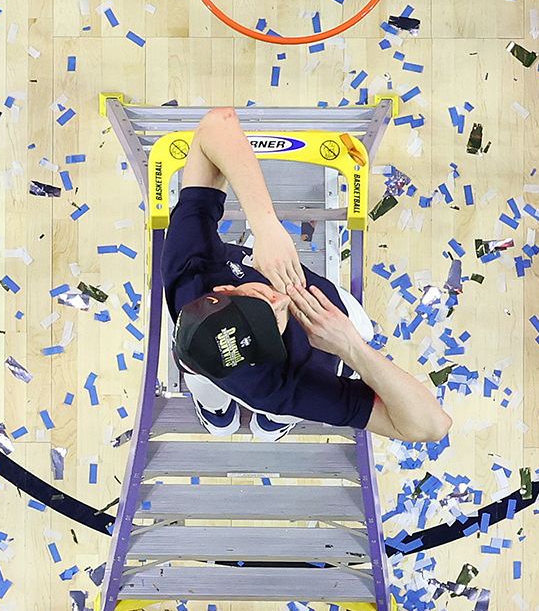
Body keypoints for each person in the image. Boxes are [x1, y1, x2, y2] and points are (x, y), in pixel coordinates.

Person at [163, 107, 452, 444]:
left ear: (225, 288)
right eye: (273, 324)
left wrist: (266, 226)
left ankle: (221, 411)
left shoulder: (190, 270)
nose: (283, 297)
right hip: (311, 362)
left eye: (261, 300)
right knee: (223, 386)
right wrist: (353, 348)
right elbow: (431, 426)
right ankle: (260, 419)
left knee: (195, 368)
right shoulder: (281, 386)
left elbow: (217, 124)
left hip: (201, 353)